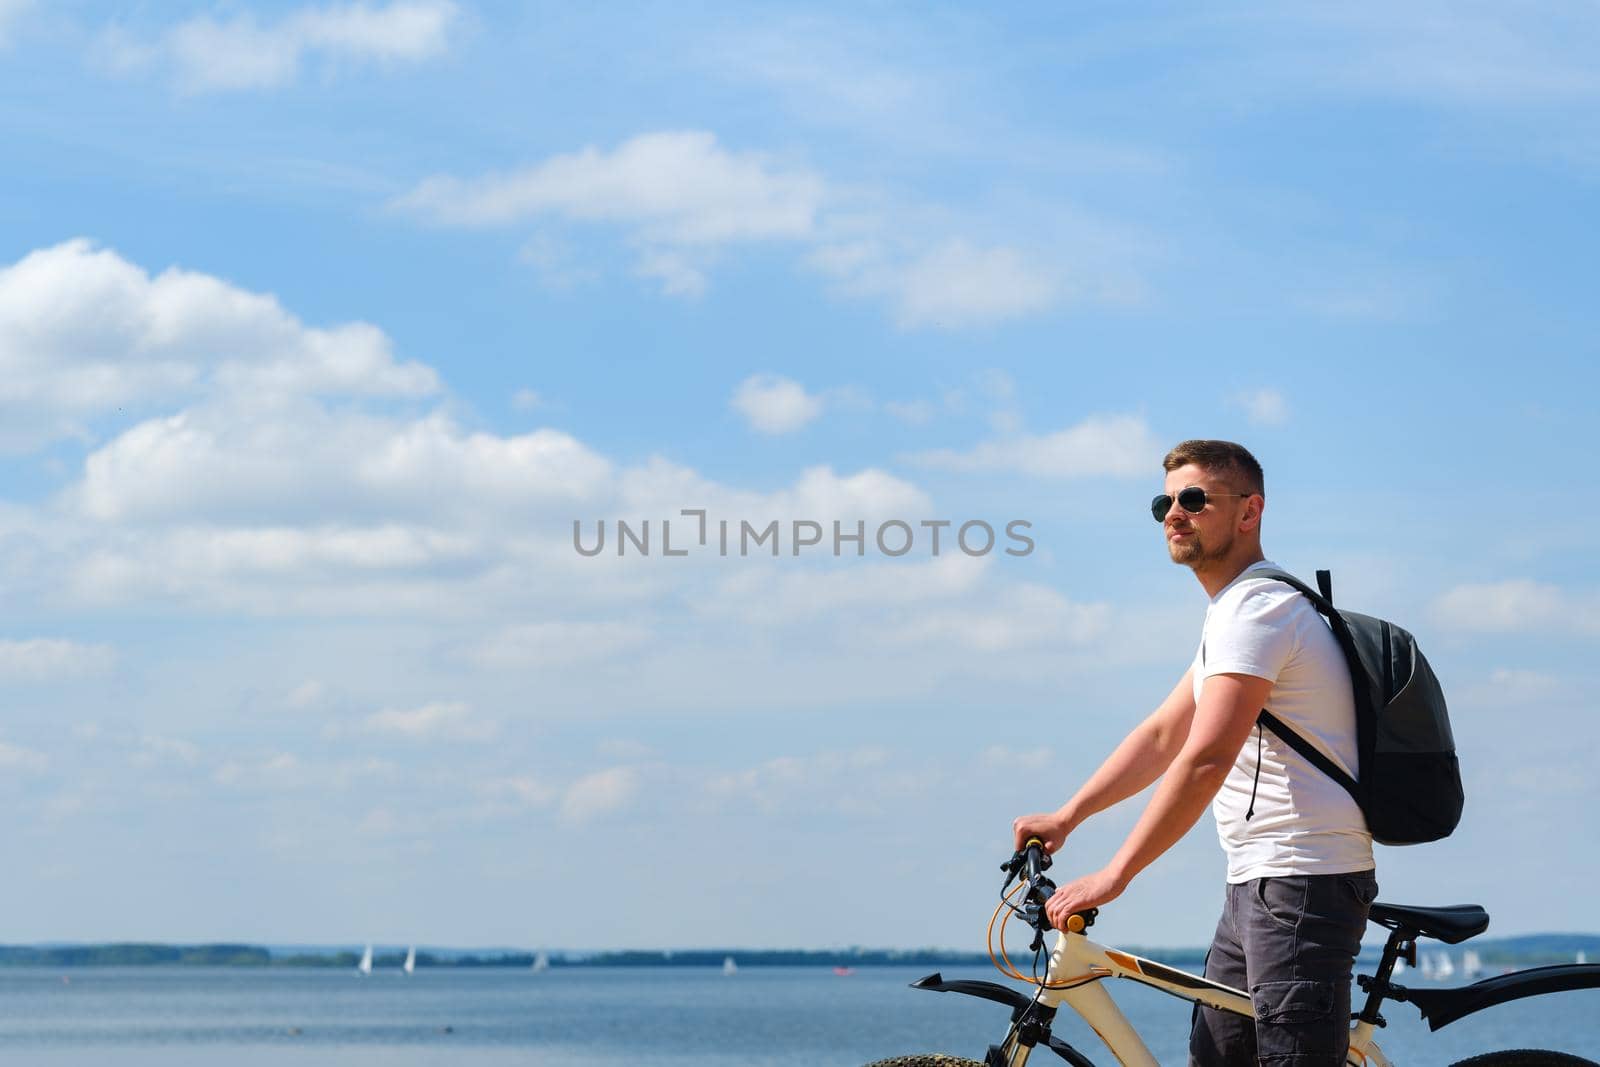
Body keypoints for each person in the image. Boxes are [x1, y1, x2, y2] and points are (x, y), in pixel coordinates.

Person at [1012, 439, 1376, 1066]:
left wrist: (1114, 874)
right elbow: (1163, 735)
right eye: (1164, 502)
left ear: (1248, 511)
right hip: (1257, 883)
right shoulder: (1232, 612)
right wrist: (1068, 816)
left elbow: (1205, 757)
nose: (1174, 514)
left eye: (1194, 499)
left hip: (1300, 880)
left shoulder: (1259, 610)